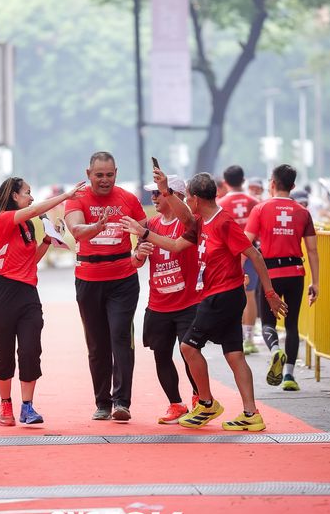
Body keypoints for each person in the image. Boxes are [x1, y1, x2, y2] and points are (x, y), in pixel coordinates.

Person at [122, 170, 287, 433]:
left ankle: (206, 403)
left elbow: (254, 255)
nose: (186, 203)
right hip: (222, 294)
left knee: (188, 347)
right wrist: (148, 225)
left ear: (196, 199)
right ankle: (251, 414)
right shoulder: (200, 222)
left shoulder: (223, 222)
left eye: (187, 198)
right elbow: (174, 245)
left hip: (222, 295)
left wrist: (270, 294)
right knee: (234, 354)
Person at [0, 176, 85, 426]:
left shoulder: (28, 225)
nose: (31, 197)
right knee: (3, 353)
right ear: (14, 196)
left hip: (28, 293)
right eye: (27, 193)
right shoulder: (3, 219)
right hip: (2, 292)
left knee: (30, 349)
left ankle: (27, 407)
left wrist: (48, 240)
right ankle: (5, 404)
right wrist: (65, 196)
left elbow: (30, 260)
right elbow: (34, 210)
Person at [65, 151, 146, 422]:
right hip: (88, 280)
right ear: (88, 174)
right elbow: (76, 230)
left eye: (109, 175)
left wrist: (141, 252)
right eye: (99, 175)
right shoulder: (78, 198)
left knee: (121, 336)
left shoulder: (128, 199)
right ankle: (102, 402)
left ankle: (122, 401)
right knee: (97, 344)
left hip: (123, 280)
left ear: (116, 173)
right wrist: (96, 227)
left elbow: (145, 231)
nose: (104, 180)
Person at [132, 175, 200, 424]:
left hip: (188, 303)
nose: (153, 197)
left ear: (176, 195)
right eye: (152, 193)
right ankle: (175, 404)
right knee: (161, 355)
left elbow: (185, 224)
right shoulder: (150, 224)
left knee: (189, 353)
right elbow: (135, 262)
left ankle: (200, 399)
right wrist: (139, 254)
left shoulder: (188, 222)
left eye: (158, 193)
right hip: (158, 304)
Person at [245, 164, 319, 392]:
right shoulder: (303, 212)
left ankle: (276, 350)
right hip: (295, 273)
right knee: (292, 323)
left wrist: (238, 273)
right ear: (293, 186)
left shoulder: (260, 209)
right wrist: (316, 282)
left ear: (272, 183)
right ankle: (289, 376)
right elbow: (312, 250)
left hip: (270, 275)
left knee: (268, 321)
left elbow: (245, 244)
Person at [218, 165, 260, 355]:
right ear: (243, 181)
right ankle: (249, 339)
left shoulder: (220, 204)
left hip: (228, 255)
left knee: (229, 295)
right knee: (250, 295)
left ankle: (233, 338)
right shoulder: (254, 203)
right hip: (250, 254)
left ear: (225, 182)